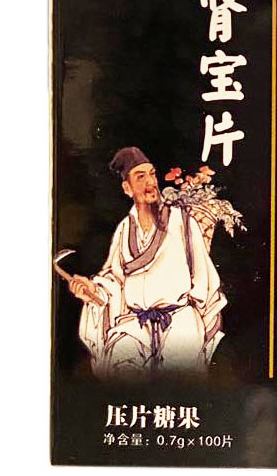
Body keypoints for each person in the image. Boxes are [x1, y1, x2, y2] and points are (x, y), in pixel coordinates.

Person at [68, 147, 227, 379]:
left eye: (152, 174)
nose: (150, 182)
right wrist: (92, 290)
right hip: (136, 324)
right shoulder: (125, 229)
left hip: (178, 321)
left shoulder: (182, 221)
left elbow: (204, 277)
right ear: (127, 188)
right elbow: (115, 280)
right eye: (140, 177)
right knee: (120, 373)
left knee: (179, 383)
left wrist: (201, 317)